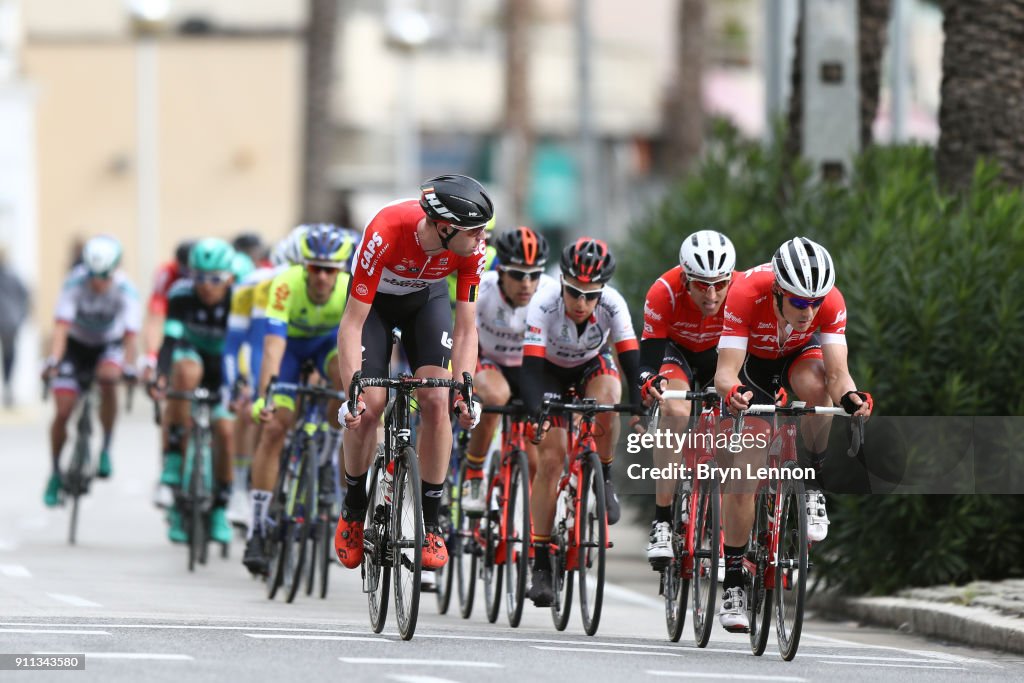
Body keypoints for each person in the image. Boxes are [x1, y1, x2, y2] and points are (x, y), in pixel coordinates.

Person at [713, 236, 873, 632]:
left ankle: (811, 480)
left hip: (800, 358)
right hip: (752, 367)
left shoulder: (829, 301)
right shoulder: (745, 294)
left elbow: (837, 374)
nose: (809, 311)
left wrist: (851, 398)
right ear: (778, 292)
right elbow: (725, 372)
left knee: (819, 390)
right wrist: (733, 394)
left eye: (815, 303)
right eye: (799, 303)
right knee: (744, 474)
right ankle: (733, 579)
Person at [333, 174, 490, 572]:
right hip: (376, 308)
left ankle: (430, 523)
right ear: (444, 226)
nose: (479, 239)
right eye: (472, 231)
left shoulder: (472, 250)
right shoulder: (385, 231)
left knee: (437, 400)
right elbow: (352, 323)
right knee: (369, 408)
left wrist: (464, 386)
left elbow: (466, 327)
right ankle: (353, 508)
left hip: (427, 301)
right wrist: (351, 390)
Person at [521, 238, 642, 606]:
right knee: (552, 459)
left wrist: (638, 406)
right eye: (574, 292)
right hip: (549, 373)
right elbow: (530, 368)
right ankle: (541, 561)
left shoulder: (613, 304)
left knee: (609, 396)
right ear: (562, 282)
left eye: (591, 296)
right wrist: (536, 410)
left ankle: (604, 476)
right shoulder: (542, 304)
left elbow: (630, 358)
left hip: (591, 365)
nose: (581, 303)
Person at [241, 225, 355, 575]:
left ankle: (330, 445)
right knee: (275, 427)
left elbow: (356, 345)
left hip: (326, 347)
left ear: (340, 270)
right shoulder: (286, 283)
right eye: (315, 268)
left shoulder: (350, 286)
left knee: (344, 374)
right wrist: (267, 398)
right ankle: (257, 528)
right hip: (289, 349)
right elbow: (272, 348)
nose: (322, 277)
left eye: (330, 270)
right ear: (304, 267)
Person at [638, 230, 737, 565]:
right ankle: (663, 521)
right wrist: (648, 382)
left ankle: (722, 525)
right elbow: (648, 360)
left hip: (717, 355)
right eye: (701, 284)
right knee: (676, 411)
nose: (711, 295)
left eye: (720, 284)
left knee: (736, 418)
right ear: (684, 278)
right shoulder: (663, 292)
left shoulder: (743, 293)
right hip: (674, 352)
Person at [460, 226, 556, 514]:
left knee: (538, 453)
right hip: (491, 361)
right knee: (494, 397)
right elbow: (464, 333)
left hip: (532, 366)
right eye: (517, 275)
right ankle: (474, 473)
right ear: (501, 271)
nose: (526, 284)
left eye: (533, 275)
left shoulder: (552, 292)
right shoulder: (483, 287)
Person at [149, 238, 237, 545]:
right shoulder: (181, 295)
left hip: (223, 367)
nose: (207, 286)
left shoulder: (239, 297)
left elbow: (244, 349)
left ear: (229, 277)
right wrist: (161, 376)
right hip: (191, 358)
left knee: (225, 430)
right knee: (183, 373)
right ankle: (174, 460)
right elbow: (170, 341)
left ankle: (219, 510)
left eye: (215, 279)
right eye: (199, 277)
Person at [42, 236, 140, 505]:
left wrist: (130, 367)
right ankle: (54, 472)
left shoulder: (125, 289)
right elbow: (60, 328)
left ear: (114, 270)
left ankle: (106, 447)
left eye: (104, 276)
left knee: (109, 380)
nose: (98, 282)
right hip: (75, 345)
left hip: (108, 344)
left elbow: (131, 336)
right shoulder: (74, 283)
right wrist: (53, 361)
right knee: (62, 411)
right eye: (93, 276)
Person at [142, 240, 195, 384]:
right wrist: (151, 356)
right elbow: (155, 316)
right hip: (172, 309)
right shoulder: (166, 272)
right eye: (184, 271)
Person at [0, 247, 29, 408]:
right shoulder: (13, 276)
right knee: (9, 356)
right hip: (10, 321)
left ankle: (8, 387)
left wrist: (21, 316)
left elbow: (25, 296)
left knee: (9, 356)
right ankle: (7, 386)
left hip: (8, 322)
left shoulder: (12, 277)